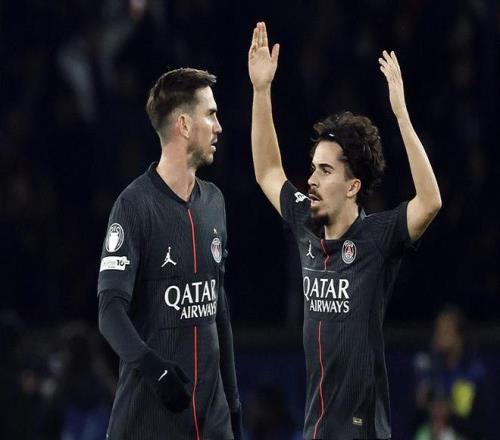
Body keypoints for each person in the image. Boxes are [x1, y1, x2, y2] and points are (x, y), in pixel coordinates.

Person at [248, 22, 441, 440]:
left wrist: (402, 116)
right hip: (316, 429)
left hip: (363, 430)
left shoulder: (378, 237)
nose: (311, 179)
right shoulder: (305, 222)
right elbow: (267, 171)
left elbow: (430, 201)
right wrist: (261, 90)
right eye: (313, 168)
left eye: (325, 170)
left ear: (353, 186)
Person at [97, 68, 243, 439]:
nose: (218, 127)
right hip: (152, 419)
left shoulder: (214, 202)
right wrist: (154, 368)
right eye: (210, 115)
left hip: (212, 423)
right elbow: (110, 311)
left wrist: (233, 406)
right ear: (183, 124)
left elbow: (218, 309)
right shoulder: (133, 207)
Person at [414, 306, 491, 440]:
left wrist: (449, 412)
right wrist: (421, 404)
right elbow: (414, 421)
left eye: (445, 331)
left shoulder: (473, 371)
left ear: (459, 336)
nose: (439, 336)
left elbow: (474, 420)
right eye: (438, 330)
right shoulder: (431, 368)